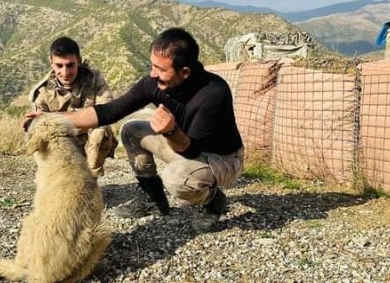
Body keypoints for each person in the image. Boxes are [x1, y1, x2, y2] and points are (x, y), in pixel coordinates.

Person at [23, 28, 244, 232]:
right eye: (152, 66)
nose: (153, 74)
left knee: (177, 179)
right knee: (131, 130)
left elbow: (190, 150)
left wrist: (169, 131)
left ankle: (213, 200)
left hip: (221, 158)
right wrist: (51, 119)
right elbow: (109, 111)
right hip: (183, 144)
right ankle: (154, 200)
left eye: (160, 69)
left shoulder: (213, 93)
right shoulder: (155, 83)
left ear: (184, 72)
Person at [28, 36, 117, 178]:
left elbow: (107, 111)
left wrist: (61, 122)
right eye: (59, 66)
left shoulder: (94, 79)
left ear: (79, 61)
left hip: (89, 142)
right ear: (51, 62)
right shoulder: (42, 92)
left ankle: (91, 181)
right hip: (62, 144)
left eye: (70, 65)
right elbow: (40, 127)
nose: (65, 73)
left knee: (101, 131)